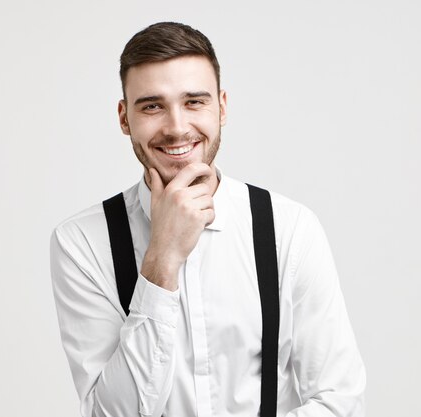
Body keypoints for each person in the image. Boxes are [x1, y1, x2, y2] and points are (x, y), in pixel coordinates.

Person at [50, 22, 366, 417]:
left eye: (194, 102)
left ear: (223, 107)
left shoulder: (290, 229)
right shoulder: (80, 242)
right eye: (152, 106)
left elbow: (340, 400)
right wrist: (161, 258)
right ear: (124, 118)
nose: (177, 127)